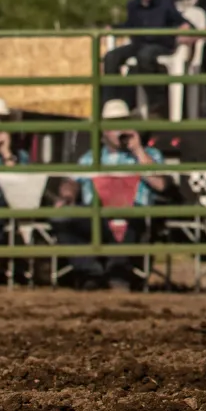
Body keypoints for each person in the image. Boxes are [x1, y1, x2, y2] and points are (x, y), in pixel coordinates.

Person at [57, 98, 174, 290]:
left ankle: (117, 274)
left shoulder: (148, 155)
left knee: (128, 218)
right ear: (103, 131)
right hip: (97, 215)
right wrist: (68, 194)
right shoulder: (90, 158)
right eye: (113, 125)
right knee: (63, 218)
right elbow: (71, 181)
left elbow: (160, 184)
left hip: (133, 213)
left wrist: (137, 151)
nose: (119, 130)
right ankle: (90, 273)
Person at [103, 0, 192, 115]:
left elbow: (181, 22)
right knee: (111, 57)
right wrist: (113, 28)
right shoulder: (133, 6)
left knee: (145, 56)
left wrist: (184, 28)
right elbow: (130, 26)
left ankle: (156, 102)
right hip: (139, 43)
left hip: (161, 44)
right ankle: (110, 103)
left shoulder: (166, 4)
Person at [0, 97, 29, 279]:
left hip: (3, 205)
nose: (0, 126)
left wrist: (7, 155)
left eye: (4, 120)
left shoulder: (20, 156)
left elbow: (22, 189)